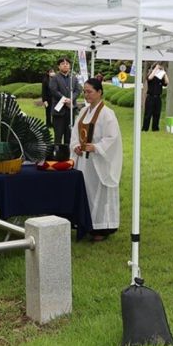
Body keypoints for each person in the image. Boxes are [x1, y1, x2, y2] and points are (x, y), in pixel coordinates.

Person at [70, 78, 122, 242]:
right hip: (84, 162)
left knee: (99, 194)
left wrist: (97, 147)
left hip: (99, 162)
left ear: (99, 92)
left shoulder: (108, 114)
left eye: (89, 91)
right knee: (86, 193)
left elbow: (112, 138)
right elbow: (75, 134)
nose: (86, 95)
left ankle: (102, 227)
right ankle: (85, 224)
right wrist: (76, 146)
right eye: (84, 91)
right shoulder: (83, 112)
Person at [49, 55, 81, 145]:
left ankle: (68, 155)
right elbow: (53, 90)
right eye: (63, 64)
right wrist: (64, 99)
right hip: (58, 112)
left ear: (70, 66)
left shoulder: (73, 78)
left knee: (69, 136)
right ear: (59, 66)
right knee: (58, 136)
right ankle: (57, 155)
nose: (65, 65)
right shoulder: (54, 78)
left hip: (70, 111)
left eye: (67, 64)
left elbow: (78, 90)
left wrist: (71, 99)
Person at [143, 62, 168, 132]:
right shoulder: (150, 76)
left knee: (157, 114)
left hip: (158, 97)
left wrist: (164, 73)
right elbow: (150, 78)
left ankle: (155, 128)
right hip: (150, 97)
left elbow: (167, 82)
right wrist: (155, 68)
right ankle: (145, 128)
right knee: (148, 114)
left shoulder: (160, 78)